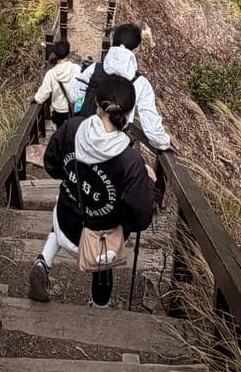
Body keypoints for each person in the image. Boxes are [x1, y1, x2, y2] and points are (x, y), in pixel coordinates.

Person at [29, 73, 155, 308]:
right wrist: (144, 182)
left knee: (66, 201)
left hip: (65, 224)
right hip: (100, 245)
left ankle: (42, 262)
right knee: (105, 264)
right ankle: (98, 309)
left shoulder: (72, 128)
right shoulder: (130, 161)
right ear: (128, 113)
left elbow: (52, 165)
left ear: (96, 104)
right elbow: (141, 218)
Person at [70, 23, 172, 152]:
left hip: (84, 136)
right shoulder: (140, 83)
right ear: (136, 49)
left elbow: (73, 95)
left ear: (113, 43)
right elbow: (151, 127)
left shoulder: (94, 69)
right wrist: (164, 144)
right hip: (112, 146)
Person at [33, 38, 78, 129]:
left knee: (60, 132)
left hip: (59, 111)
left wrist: (36, 99)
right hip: (74, 108)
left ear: (55, 54)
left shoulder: (51, 73)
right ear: (68, 53)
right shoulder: (76, 69)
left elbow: (44, 91)